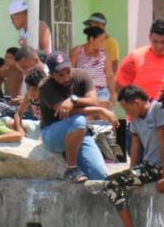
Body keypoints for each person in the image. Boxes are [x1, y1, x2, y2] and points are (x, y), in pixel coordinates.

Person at [105, 85, 164, 227]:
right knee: (116, 181)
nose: (127, 113)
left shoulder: (158, 109)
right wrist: (131, 171)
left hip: (159, 167)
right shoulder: (135, 119)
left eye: (127, 108)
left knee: (111, 183)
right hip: (147, 166)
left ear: (136, 103)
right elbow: (135, 146)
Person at [39, 51, 111, 183]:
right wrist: (101, 110)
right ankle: (71, 168)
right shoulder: (45, 86)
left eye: (67, 71)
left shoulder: (82, 75)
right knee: (79, 119)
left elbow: (93, 100)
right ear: (50, 75)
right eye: (60, 75)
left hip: (80, 131)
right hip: (53, 132)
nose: (66, 77)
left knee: (100, 175)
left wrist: (73, 100)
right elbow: (65, 112)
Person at [116, 19, 164, 99]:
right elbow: (119, 85)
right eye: (155, 42)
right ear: (149, 37)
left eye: (163, 42)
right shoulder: (135, 57)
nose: (159, 47)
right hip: (144, 111)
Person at [71, 25, 117, 107]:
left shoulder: (104, 53)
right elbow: (70, 73)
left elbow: (109, 75)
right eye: (101, 41)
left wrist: (113, 94)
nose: (103, 44)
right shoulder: (77, 52)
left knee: (103, 117)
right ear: (92, 39)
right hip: (84, 93)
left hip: (102, 92)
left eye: (104, 41)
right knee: (88, 117)